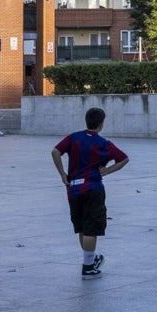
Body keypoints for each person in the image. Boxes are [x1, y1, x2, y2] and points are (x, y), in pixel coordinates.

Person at [51, 107, 129, 279]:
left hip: (74, 190)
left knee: (82, 227)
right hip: (93, 188)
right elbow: (124, 158)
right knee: (91, 229)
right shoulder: (103, 144)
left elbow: (55, 152)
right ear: (101, 124)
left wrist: (63, 174)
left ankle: (90, 261)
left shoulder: (74, 138)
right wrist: (107, 171)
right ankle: (88, 268)